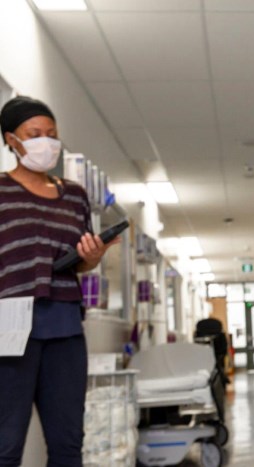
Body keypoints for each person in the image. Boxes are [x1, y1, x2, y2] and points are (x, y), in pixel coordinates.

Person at [0, 96, 116, 466]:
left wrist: (92, 258)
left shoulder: (75, 195)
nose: (45, 142)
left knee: (68, 444)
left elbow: (77, 261)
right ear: (11, 140)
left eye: (51, 134)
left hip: (64, 326)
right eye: (34, 134)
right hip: (9, 328)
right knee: (5, 444)